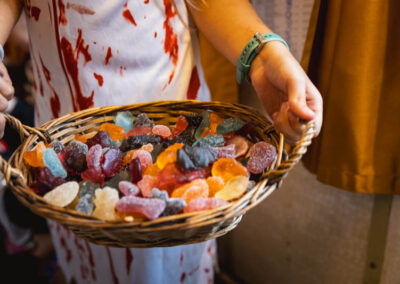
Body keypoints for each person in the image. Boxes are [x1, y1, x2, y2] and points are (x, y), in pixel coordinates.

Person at [0, 0, 322, 283]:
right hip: (64, 133)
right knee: (85, 251)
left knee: (160, 267)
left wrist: (263, 54)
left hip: (167, 132)